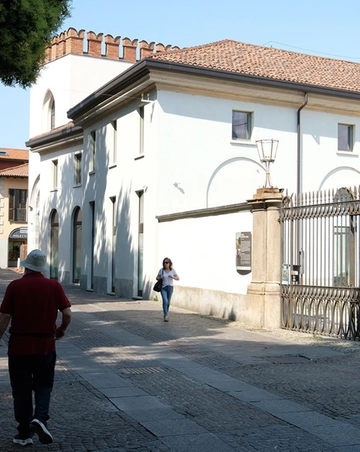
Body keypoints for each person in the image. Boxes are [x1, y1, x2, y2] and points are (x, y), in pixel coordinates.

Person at [0, 249, 72, 447]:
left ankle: (23, 433)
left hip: (19, 347)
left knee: (21, 390)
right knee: (43, 385)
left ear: (26, 266)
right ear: (42, 268)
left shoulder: (15, 286)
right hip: (45, 345)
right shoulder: (53, 286)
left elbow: (4, 316)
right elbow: (67, 313)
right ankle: (40, 418)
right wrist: (61, 330)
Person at [156, 257, 179, 322]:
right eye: (164, 263)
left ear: (169, 263)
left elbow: (178, 278)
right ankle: (166, 315)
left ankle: (166, 312)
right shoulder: (161, 270)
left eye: (167, 262)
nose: (165, 264)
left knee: (168, 302)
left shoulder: (172, 270)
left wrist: (173, 277)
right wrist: (160, 277)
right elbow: (157, 277)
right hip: (163, 287)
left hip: (170, 287)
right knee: (165, 300)